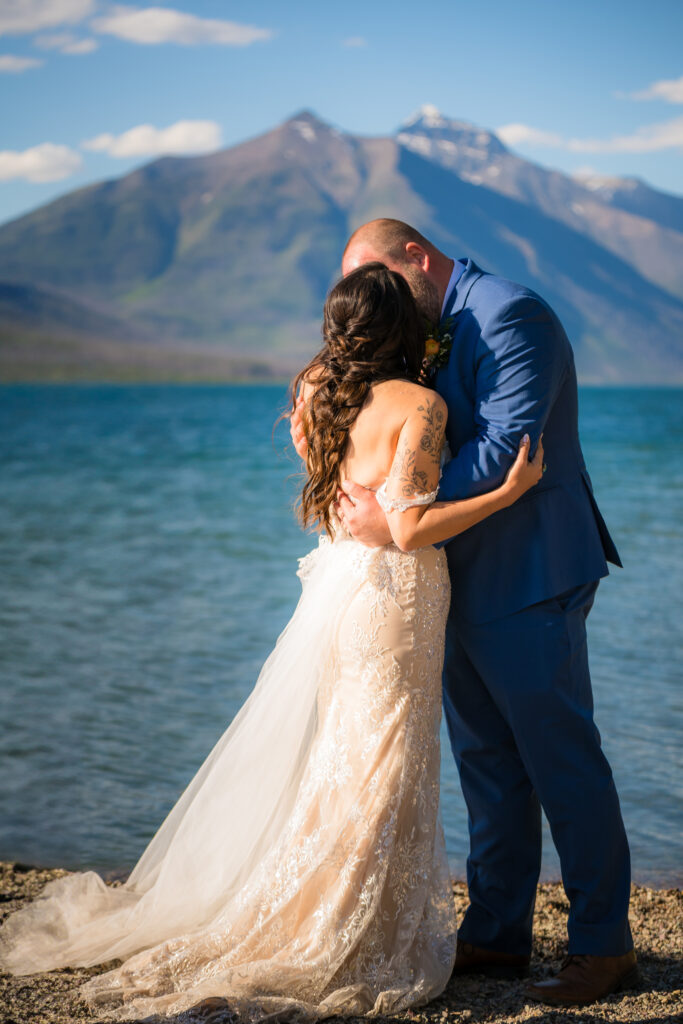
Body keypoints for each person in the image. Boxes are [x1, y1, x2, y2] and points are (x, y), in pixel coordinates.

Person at [0, 264, 542, 1021]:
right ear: (405, 333)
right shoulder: (418, 404)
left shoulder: (318, 387)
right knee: (384, 766)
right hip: (394, 597)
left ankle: (325, 908)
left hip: (339, 589)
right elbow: (412, 526)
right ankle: (339, 929)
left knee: (346, 760)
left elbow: (329, 476)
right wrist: (504, 493)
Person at [293, 219, 636, 1008]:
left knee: (561, 761)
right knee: (486, 764)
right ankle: (497, 930)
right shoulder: (418, 324)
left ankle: (602, 946)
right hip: (443, 576)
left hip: (527, 571)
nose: (377, 296)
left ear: (417, 256)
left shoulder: (510, 315)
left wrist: (393, 510)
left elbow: (503, 449)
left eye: (379, 274)